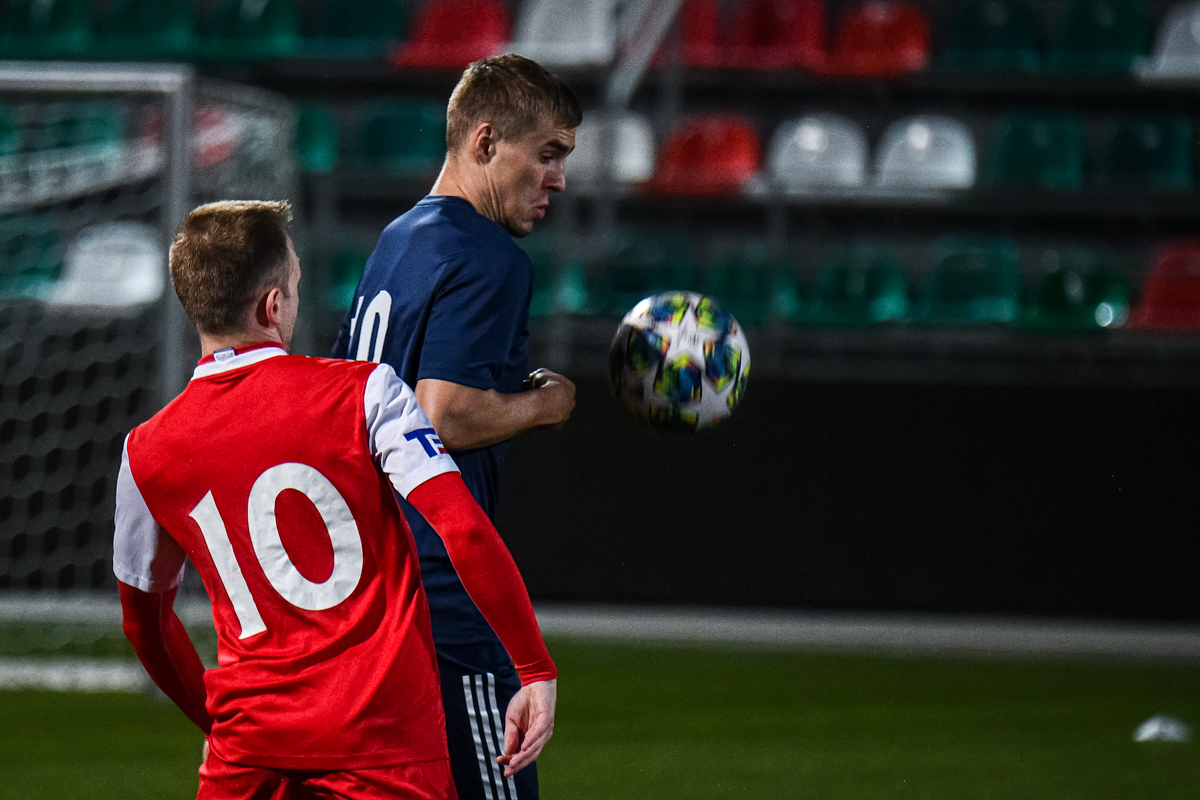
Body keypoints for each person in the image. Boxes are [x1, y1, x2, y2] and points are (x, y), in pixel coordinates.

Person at [114, 200, 557, 800]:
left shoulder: (144, 451)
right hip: (382, 749)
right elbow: (463, 529)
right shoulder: (365, 392)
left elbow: (145, 623)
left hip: (250, 756)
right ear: (273, 305)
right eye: (295, 285)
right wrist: (534, 667)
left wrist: (218, 725)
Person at [331, 55, 578, 800]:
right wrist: (545, 405)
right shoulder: (488, 255)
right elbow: (443, 415)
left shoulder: (397, 240)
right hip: (442, 589)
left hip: (368, 586)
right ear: (485, 141)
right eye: (547, 154)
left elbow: (350, 399)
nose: (559, 180)